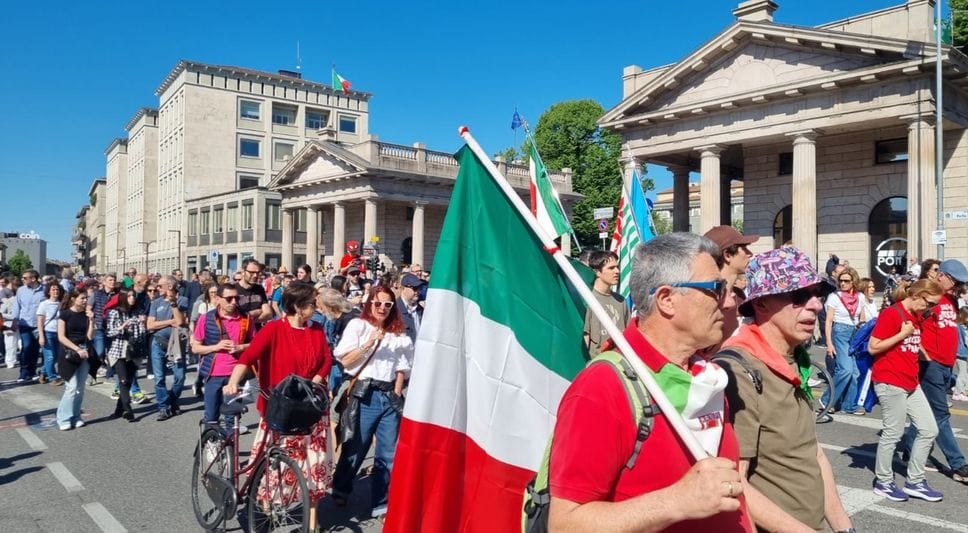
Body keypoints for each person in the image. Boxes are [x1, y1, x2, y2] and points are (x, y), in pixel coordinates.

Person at [548, 233, 751, 532]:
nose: (727, 300)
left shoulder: (706, 377)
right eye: (715, 288)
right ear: (667, 300)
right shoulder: (602, 387)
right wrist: (675, 502)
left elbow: (733, 494)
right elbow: (565, 524)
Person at [717, 247, 853, 532]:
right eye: (800, 296)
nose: (815, 305)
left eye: (818, 295)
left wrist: (843, 526)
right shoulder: (738, 371)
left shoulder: (796, 359)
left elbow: (810, 450)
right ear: (762, 304)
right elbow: (734, 482)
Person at [223, 282, 333, 531]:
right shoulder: (273, 330)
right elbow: (248, 357)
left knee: (314, 465)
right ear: (296, 306)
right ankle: (266, 505)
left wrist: (313, 383)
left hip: (311, 409)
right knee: (276, 465)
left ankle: (313, 522)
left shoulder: (316, 329)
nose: (315, 308)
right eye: (311, 304)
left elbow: (326, 360)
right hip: (281, 409)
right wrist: (232, 382)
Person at [332, 285, 415, 519]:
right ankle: (341, 486)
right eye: (377, 303)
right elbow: (346, 362)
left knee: (388, 452)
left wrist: (397, 391)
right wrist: (368, 343)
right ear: (370, 303)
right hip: (364, 393)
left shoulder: (399, 333)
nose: (382, 308)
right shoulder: (359, 326)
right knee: (356, 446)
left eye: (388, 304)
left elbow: (403, 366)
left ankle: (382, 502)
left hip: (389, 394)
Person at [868, 279, 944, 501]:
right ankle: (883, 481)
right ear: (918, 295)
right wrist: (902, 334)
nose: (930, 309)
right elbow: (873, 347)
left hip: (911, 381)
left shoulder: (917, 316)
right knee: (892, 433)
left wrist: (925, 356)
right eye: (929, 303)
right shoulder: (892, 314)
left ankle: (915, 481)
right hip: (890, 381)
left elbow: (913, 341)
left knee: (929, 429)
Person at [898, 259, 968, 484]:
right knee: (940, 415)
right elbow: (911, 323)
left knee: (927, 412)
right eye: (955, 282)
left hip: (947, 364)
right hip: (930, 364)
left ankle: (909, 448)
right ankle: (958, 464)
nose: (958, 287)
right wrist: (922, 353)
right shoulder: (929, 297)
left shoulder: (951, 300)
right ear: (942, 275)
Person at [192, 283, 253, 433]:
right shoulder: (206, 318)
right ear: (218, 299)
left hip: (236, 374)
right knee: (211, 417)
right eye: (229, 298)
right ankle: (212, 445)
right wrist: (215, 347)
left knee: (232, 418)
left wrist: (240, 347)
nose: (234, 302)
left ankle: (230, 452)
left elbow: (255, 344)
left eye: (236, 298)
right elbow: (195, 347)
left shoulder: (246, 318)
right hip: (213, 374)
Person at [147, 275, 189, 421]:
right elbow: (150, 325)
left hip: (176, 344)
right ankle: (163, 407)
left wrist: (173, 305)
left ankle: (171, 400)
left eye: (160, 286)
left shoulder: (182, 300)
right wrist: (169, 321)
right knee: (159, 378)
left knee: (180, 377)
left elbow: (180, 321)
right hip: (158, 343)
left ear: (170, 287)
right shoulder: (155, 302)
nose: (157, 289)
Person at [824, 266, 864, 415]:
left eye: (846, 281)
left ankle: (849, 405)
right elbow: (828, 322)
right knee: (845, 370)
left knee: (855, 373)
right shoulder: (834, 297)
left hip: (854, 333)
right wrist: (829, 343)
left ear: (854, 281)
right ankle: (828, 399)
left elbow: (862, 317)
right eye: (840, 281)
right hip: (839, 332)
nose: (843, 284)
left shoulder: (860, 297)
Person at [55, 288, 96, 430]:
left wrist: (91, 320)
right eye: (82, 298)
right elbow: (61, 337)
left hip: (84, 353)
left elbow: (90, 336)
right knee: (71, 388)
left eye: (86, 298)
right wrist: (76, 349)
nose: (85, 301)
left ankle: (76, 416)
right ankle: (63, 418)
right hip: (69, 354)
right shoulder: (65, 314)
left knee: (80, 388)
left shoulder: (86, 315)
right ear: (73, 298)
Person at [105, 288, 148, 421]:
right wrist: (121, 328)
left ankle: (119, 410)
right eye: (129, 296)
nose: (132, 298)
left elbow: (142, 334)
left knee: (128, 381)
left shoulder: (136, 312)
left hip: (134, 350)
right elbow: (109, 332)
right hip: (119, 350)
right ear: (123, 298)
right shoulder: (115, 313)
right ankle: (128, 409)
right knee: (123, 379)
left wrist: (143, 324)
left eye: (133, 296)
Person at [583, 250, 630, 355]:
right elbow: (585, 337)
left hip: (619, 363)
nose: (617, 271)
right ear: (597, 272)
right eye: (611, 268)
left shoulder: (621, 300)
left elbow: (627, 333)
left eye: (617, 267)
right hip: (596, 363)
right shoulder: (588, 299)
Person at [11, 269, 46, 383]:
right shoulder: (21, 290)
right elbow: (17, 306)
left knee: (35, 349)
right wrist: (14, 320)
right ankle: (23, 373)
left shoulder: (44, 290)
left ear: (33, 279)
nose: (22, 279)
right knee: (26, 347)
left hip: (38, 325)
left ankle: (32, 371)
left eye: (25, 278)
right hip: (25, 323)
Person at [36, 282, 64, 385]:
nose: (55, 291)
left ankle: (43, 372)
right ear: (48, 292)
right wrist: (41, 336)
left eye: (57, 290)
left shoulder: (62, 304)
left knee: (55, 357)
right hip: (48, 332)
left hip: (59, 333)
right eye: (53, 289)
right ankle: (53, 378)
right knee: (50, 357)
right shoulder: (44, 304)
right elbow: (40, 321)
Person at [235, 258, 272, 325]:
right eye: (251, 272)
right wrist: (258, 312)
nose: (255, 275)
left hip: (257, 333)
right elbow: (234, 318)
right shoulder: (233, 290)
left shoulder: (259, 289)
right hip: (240, 333)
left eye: (257, 273)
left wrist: (248, 321)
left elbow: (268, 313)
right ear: (243, 271)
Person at [397, 273, 425, 344]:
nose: (417, 292)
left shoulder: (421, 309)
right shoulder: (394, 310)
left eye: (419, 288)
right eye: (414, 288)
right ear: (403, 288)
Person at [953, 307, 968, 402]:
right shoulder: (959, 327)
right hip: (961, 353)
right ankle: (958, 393)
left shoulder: (964, 327)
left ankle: (962, 389)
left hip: (964, 353)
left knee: (965, 373)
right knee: (962, 373)